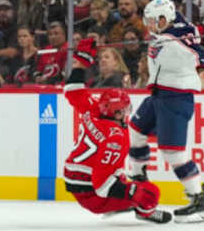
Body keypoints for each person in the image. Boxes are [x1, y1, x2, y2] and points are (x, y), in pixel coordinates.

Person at [127, 0, 204, 223]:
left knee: (173, 152)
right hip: (158, 95)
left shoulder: (180, 35)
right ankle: (139, 177)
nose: (149, 26)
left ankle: (198, 201)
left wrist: (202, 69)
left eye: (152, 21)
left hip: (176, 97)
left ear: (163, 20)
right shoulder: (169, 21)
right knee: (136, 130)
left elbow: (198, 52)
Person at [63, 38, 172, 224]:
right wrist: (132, 194)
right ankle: (143, 212)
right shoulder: (116, 138)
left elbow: (72, 89)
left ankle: (123, 201)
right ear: (118, 112)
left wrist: (81, 61)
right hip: (91, 194)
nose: (127, 113)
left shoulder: (93, 109)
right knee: (150, 193)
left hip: (76, 177)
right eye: (124, 110)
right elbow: (102, 185)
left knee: (120, 176)